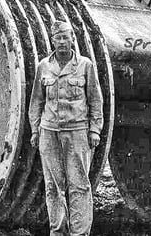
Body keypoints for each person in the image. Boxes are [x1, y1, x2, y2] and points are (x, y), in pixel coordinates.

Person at [29, 20, 104, 236]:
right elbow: (36, 101)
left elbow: (95, 100)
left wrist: (95, 130)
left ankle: (80, 233)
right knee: (53, 186)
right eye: (58, 38)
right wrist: (35, 130)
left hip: (77, 132)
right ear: (52, 41)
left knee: (79, 184)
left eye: (65, 37)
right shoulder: (44, 66)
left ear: (73, 39)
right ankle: (58, 231)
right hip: (49, 132)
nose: (62, 42)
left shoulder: (85, 65)